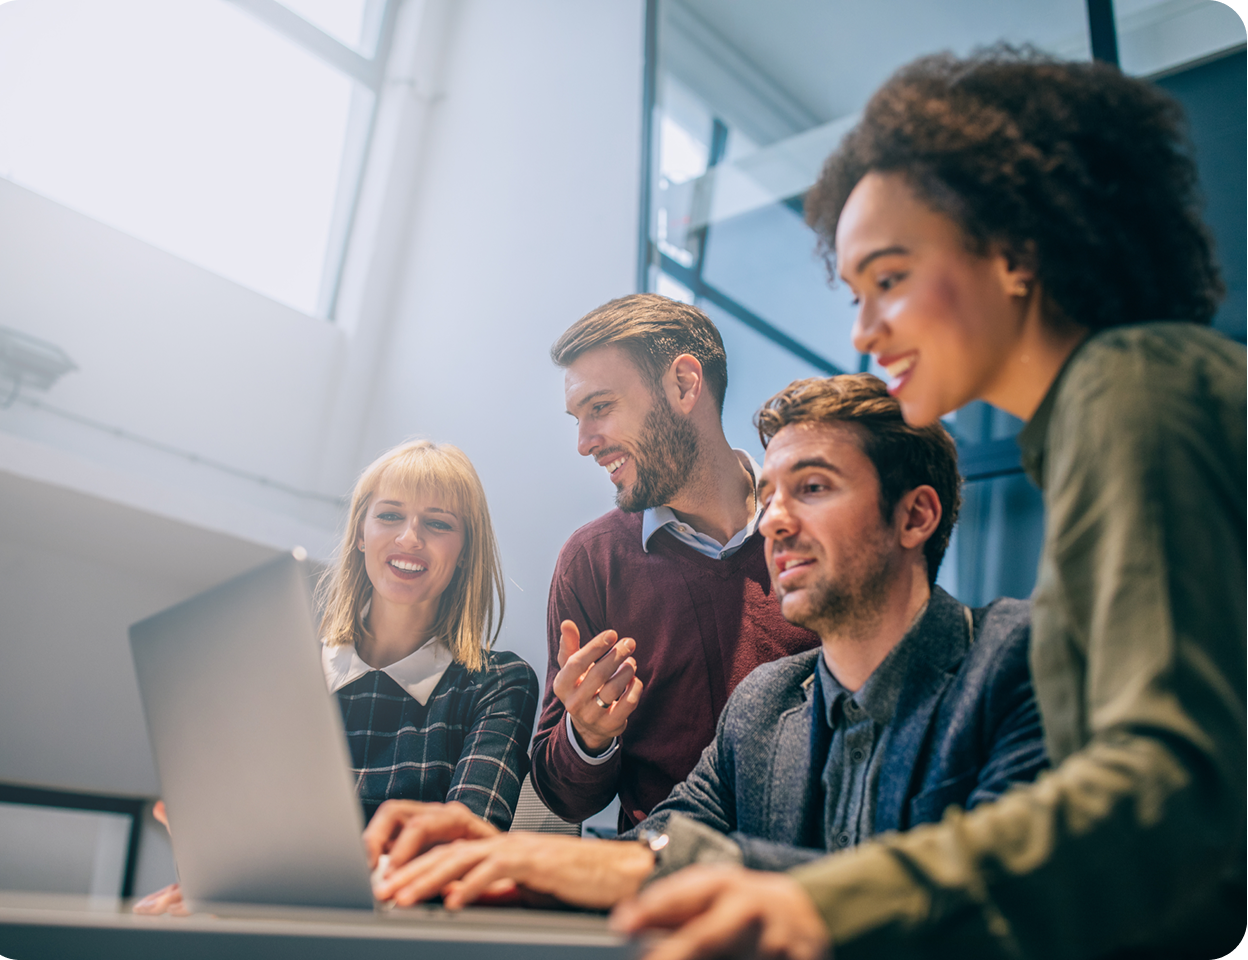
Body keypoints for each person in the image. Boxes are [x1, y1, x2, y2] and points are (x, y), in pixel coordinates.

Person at [617, 47, 1246, 960]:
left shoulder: (1128, 389)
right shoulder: (1112, 409)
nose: (865, 331)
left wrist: (824, 907)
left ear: (1017, 251)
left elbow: (1174, 793)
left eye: (891, 277)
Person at [365, 374, 1048, 912]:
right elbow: (653, 845)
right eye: (771, 494)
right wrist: (515, 862)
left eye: (812, 488)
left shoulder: (1020, 662)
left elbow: (998, 896)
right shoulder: (765, 705)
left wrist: (646, 865)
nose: (775, 521)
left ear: (915, 515)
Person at [135, 439, 539, 914]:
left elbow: (464, 853)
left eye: (437, 523)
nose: (410, 538)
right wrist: (210, 857)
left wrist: (271, 884)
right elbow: (240, 850)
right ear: (361, 533)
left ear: (465, 550)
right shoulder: (283, 676)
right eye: (390, 515)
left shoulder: (498, 684)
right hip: (265, 928)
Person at [527, 294, 818, 830]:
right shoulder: (591, 562)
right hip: (659, 884)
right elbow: (563, 798)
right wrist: (587, 736)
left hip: (809, 886)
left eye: (601, 407)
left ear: (685, 385)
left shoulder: (808, 532)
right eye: (577, 418)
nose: (584, 443)